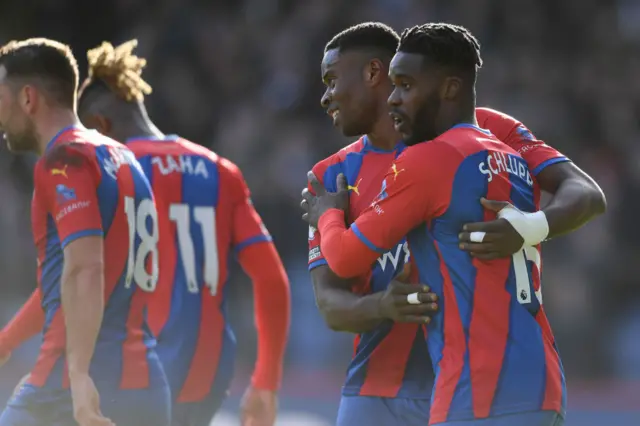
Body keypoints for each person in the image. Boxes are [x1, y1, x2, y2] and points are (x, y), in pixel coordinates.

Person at [309, 22, 605, 426]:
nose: (325, 97)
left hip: (471, 388)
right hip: (390, 389)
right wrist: (381, 305)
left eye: (330, 80)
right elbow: (328, 303)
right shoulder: (331, 173)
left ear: (374, 73)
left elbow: (584, 192)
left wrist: (531, 226)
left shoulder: (481, 131)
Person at [0, 40, 291, 426]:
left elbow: (75, 278)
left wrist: (12, 344)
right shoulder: (218, 171)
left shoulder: (99, 165)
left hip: (112, 368)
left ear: (99, 125)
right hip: (199, 373)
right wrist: (266, 380)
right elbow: (272, 279)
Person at [0, 38, 170, 426]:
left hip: (72, 387)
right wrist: (7, 342)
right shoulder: (123, 158)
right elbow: (62, 281)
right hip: (144, 384)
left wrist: (78, 377)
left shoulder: (63, 160)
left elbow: (85, 270)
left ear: (28, 98)